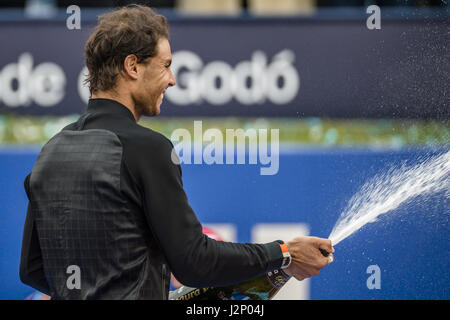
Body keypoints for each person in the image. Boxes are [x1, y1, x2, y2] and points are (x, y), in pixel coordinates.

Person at [19, 4, 334, 300]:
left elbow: (33, 269)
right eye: (166, 66)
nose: (171, 80)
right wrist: (283, 252)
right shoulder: (148, 148)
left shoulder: (50, 151)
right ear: (132, 66)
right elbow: (194, 262)